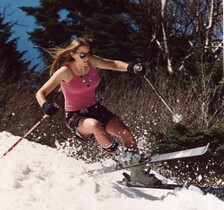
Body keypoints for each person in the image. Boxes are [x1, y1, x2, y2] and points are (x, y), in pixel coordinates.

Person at [36, 37, 161, 186]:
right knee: (94, 125)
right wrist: (45, 105)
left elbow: (113, 64)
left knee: (125, 133)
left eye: (88, 53)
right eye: (82, 55)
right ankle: (120, 156)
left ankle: (138, 175)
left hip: (94, 108)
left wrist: (131, 67)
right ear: (73, 54)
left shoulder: (92, 62)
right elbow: (40, 92)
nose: (87, 58)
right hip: (75, 115)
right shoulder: (65, 71)